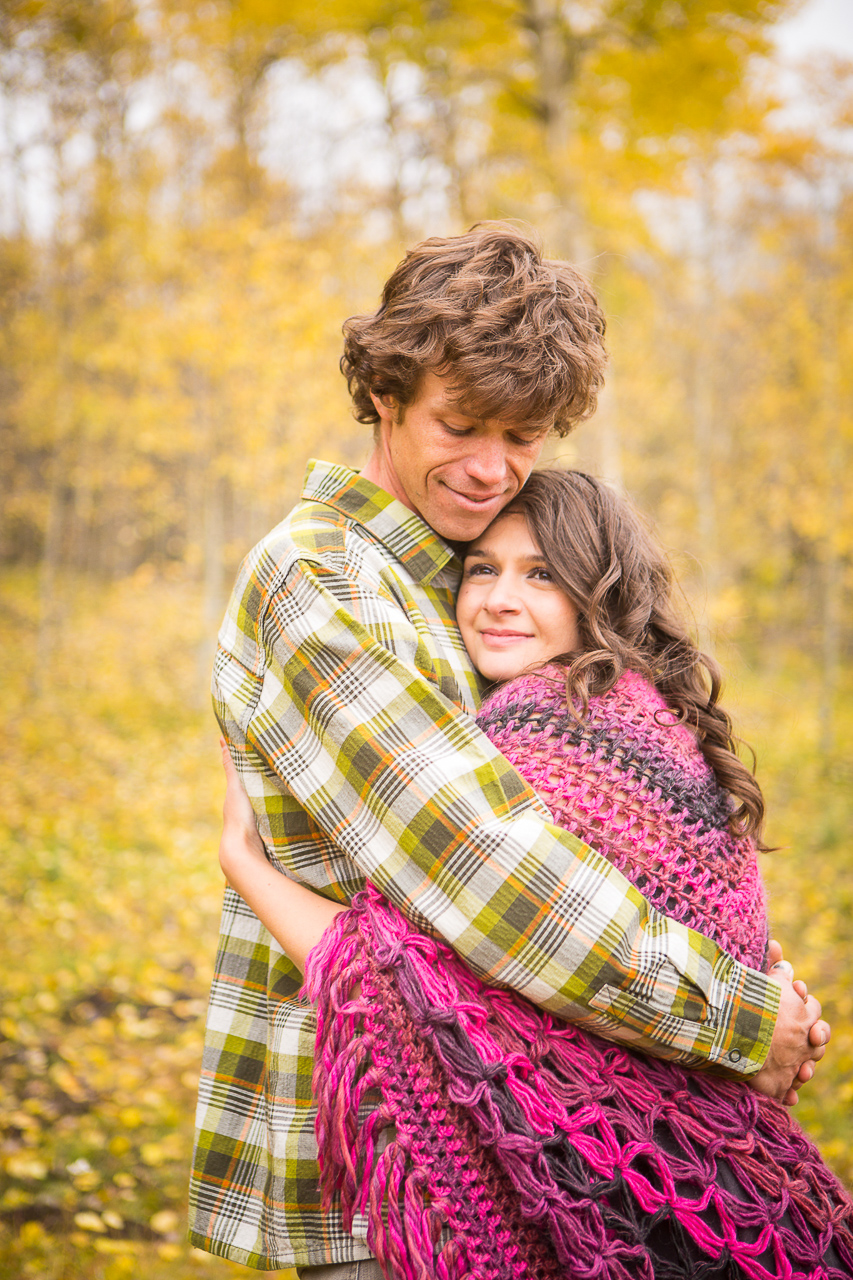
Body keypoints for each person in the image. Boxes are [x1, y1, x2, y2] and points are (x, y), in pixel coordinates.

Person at [188, 223, 828, 1276]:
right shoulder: (323, 581)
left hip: (522, 1130)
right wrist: (739, 1015)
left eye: (524, 437)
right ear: (383, 393)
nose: (491, 469)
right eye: (462, 423)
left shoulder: (454, 569)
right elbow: (490, 869)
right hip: (393, 1159)